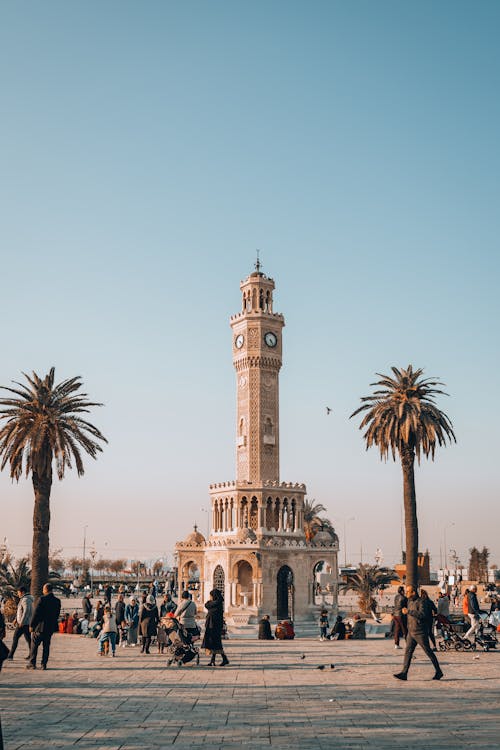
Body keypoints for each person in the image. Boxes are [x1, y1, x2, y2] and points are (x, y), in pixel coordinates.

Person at [393, 585, 443, 682]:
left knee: (428, 652)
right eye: (406, 591)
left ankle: (438, 671)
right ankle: (404, 673)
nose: (406, 593)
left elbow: (422, 615)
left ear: (413, 593)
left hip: (420, 632)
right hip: (411, 632)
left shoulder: (421, 602)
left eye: (408, 592)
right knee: (408, 652)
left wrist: (409, 611)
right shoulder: (409, 601)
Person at [27, 583, 61, 670]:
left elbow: (36, 614)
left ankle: (32, 663)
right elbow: (57, 615)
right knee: (46, 647)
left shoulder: (42, 599)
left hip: (39, 627)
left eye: (43, 589)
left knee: (34, 645)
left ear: (45, 589)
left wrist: (32, 625)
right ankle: (43, 664)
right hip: (49, 628)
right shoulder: (57, 601)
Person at [202, 589, 228, 666]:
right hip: (213, 625)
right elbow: (207, 605)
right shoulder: (218, 603)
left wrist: (210, 601)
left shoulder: (217, 604)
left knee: (216, 643)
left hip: (214, 626)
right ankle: (214, 660)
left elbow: (207, 605)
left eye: (211, 596)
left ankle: (224, 659)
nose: (210, 597)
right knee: (215, 644)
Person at [7, 586, 34, 661]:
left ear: (22, 592)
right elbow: (20, 611)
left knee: (15, 638)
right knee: (28, 640)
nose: (18, 594)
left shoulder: (25, 600)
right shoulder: (24, 599)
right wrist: (16, 619)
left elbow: (26, 611)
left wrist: (21, 622)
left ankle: (10, 655)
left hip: (23, 624)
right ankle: (31, 655)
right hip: (24, 623)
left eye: (18, 592)